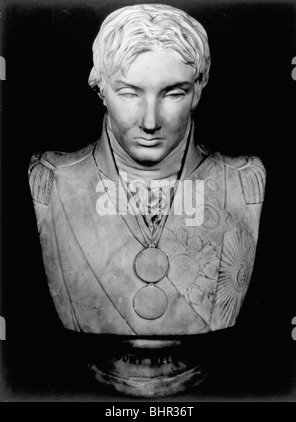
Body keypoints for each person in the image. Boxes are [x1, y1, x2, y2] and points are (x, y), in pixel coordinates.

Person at [28, 3, 266, 396]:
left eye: (173, 93)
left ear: (199, 88)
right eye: (129, 92)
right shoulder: (52, 182)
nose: (150, 121)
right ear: (99, 87)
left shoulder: (242, 182)